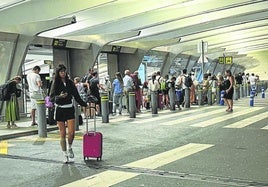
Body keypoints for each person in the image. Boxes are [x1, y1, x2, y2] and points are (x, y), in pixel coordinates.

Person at [49, 64, 89, 163]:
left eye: (64, 71)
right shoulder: (55, 83)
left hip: (69, 108)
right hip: (60, 109)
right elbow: (51, 98)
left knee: (71, 133)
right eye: (61, 72)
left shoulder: (70, 83)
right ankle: (64, 154)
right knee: (62, 134)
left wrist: (84, 104)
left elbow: (76, 96)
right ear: (58, 73)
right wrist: (60, 97)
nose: (63, 73)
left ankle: (70, 147)